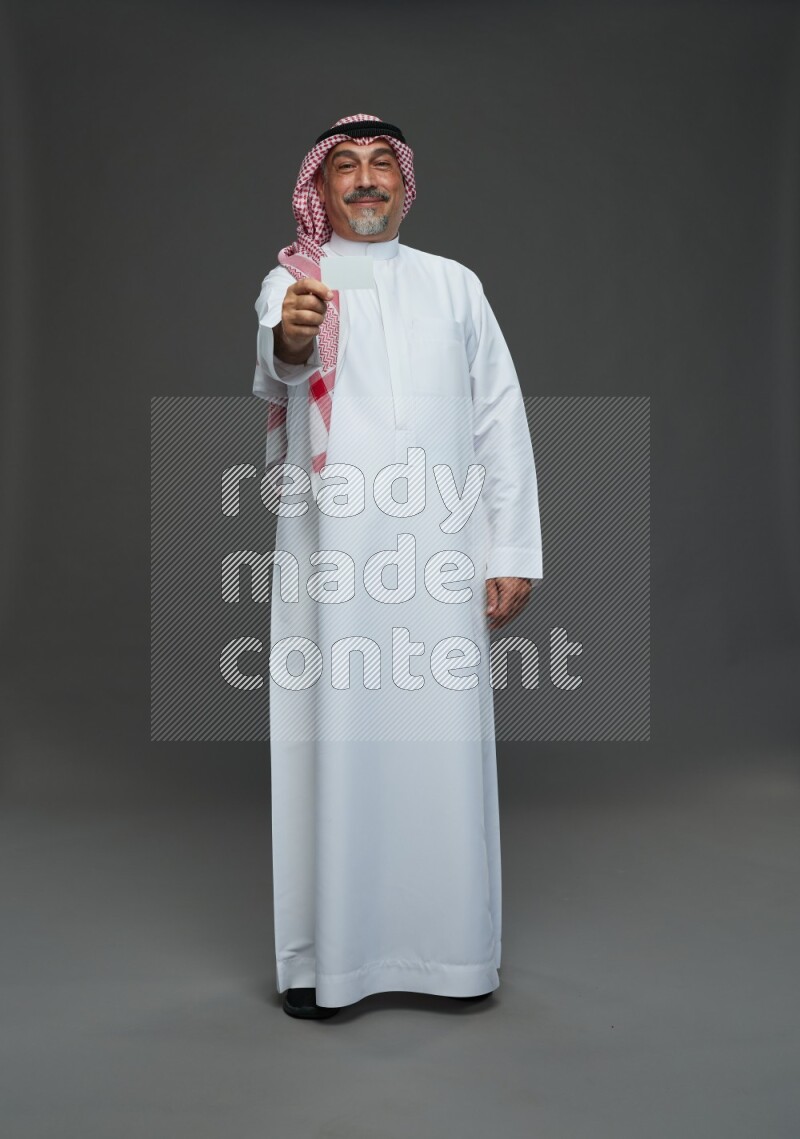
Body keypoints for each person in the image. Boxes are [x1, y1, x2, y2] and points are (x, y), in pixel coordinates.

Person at [252, 113, 543, 1019]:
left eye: (383, 164)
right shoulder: (294, 282)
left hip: (439, 561)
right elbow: (282, 363)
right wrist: (295, 336)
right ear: (322, 187)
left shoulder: (456, 287)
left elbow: (498, 414)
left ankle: (452, 957)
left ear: (405, 183)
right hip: (333, 568)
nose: (367, 180)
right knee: (332, 740)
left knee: (441, 749)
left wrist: (511, 548)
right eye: (347, 167)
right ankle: (326, 964)